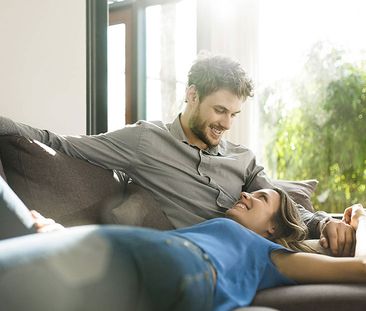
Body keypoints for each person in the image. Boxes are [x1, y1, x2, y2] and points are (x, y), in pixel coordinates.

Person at [0, 54, 354, 256]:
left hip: (269, 248)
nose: (226, 124)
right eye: (220, 111)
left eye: (234, 115)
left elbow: (283, 206)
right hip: (205, 256)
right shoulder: (145, 141)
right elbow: (60, 142)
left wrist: (325, 221)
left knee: (352, 230)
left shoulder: (243, 158)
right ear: (192, 95)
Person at [0, 175, 365, 311]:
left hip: (176, 266)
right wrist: (63, 233)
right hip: (138, 257)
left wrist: (359, 218)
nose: (247, 196)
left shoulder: (270, 255)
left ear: (272, 229)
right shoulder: (207, 227)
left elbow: (360, 268)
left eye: (262, 199)